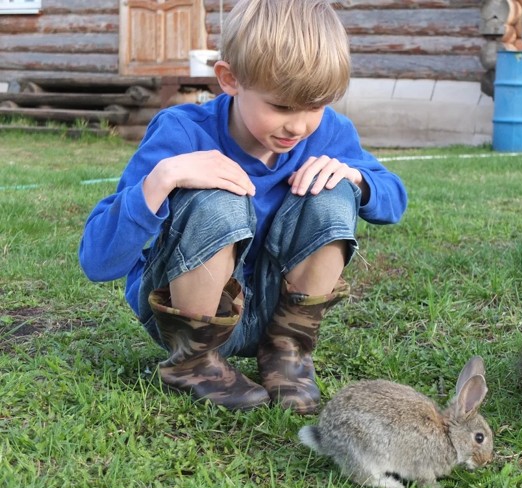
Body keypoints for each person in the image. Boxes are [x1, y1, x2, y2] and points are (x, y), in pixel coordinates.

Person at [78, 0, 407, 415]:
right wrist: (161, 180)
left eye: (316, 106)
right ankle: (193, 362)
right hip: (188, 316)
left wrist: (357, 178)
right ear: (229, 79)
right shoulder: (181, 131)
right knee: (217, 195)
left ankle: (289, 351)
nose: (300, 125)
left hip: (278, 318)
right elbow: (97, 260)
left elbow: (393, 200)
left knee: (336, 186)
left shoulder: (330, 133)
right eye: (282, 107)